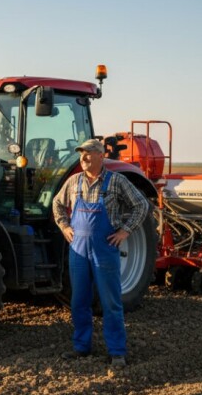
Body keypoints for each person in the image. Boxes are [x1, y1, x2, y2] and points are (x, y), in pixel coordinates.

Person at [52, 138, 149, 367]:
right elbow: (57, 204)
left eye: (88, 153)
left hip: (104, 250)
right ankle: (81, 347)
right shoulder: (74, 182)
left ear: (101, 155)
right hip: (78, 250)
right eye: (81, 154)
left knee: (110, 302)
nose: (83, 158)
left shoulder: (116, 181)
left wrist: (125, 231)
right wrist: (64, 226)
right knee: (79, 301)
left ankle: (117, 352)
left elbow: (141, 205)